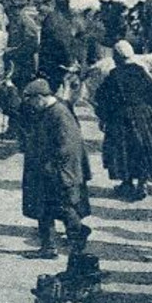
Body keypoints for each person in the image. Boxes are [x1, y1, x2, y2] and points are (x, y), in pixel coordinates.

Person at [19, 78, 92, 260]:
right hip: (44, 171)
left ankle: (78, 239)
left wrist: (52, 168)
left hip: (57, 172)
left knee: (64, 207)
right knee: (43, 208)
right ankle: (48, 247)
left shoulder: (59, 113)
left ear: (40, 98)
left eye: (32, 101)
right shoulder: (48, 110)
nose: (31, 105)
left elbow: (67, 147)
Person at [94, 41, 152, 201]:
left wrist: (103, 117)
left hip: (121, 118)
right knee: (142, 149)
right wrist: (149, 112)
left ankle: (127, 182)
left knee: (123, 151)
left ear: (117, 57)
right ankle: (142, 182)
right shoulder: (141, 72)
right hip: (143, 117)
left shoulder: (115, 75)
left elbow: (104, 98)